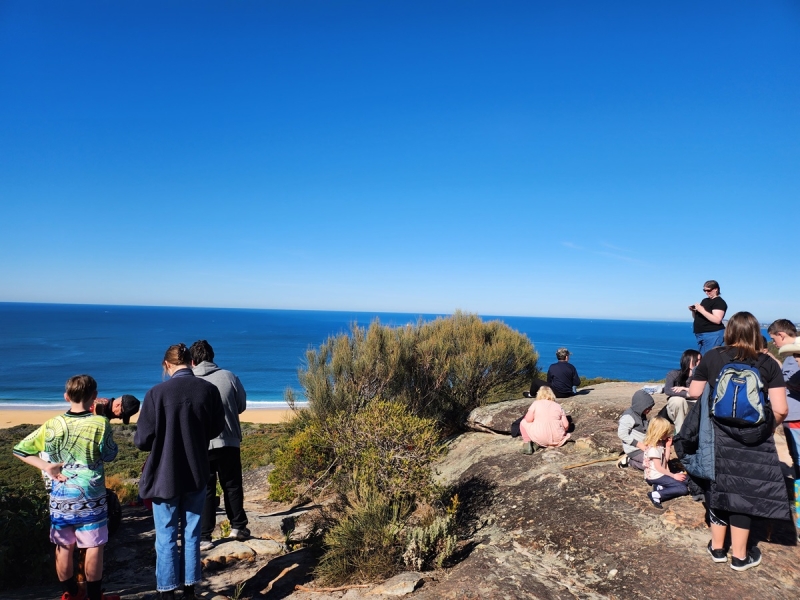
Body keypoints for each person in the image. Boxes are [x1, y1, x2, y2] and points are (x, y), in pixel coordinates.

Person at [688, 311, 789, 572]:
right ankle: (740, 557)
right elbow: (781, 409)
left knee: (718, 489)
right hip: (754, 440)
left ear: (728, 331)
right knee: (742, 495)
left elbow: (695, 393)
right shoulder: (767, 363)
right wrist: (765, 429)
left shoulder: (712, 356)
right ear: (756, 332)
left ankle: (718, 549)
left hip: (717, 435)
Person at [13, 375, 119, 600]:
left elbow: (20, 450)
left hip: (60, 496)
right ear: (94, 398)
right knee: (94, 546)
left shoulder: (53, 424)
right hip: (92, 496)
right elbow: (110, 455)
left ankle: (70, 594)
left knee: (63, 546)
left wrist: (46, 466)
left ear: (66, 396)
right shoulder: (100, 423)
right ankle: (93, 595)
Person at [135, 344, 225, 600]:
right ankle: (189, 588)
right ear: (191, 362)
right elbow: (216, 428)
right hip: (197, 470)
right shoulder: (209, 390)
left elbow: (142, 440)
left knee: (165, 535)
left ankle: (166, 591)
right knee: (192, 532)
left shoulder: (156, 393)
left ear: (167, 365)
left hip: (164, 473)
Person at [189, 340, 249, 550]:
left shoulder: (189, 381)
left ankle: (205, 536)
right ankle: (238, 526)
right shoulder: (229, 376)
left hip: (200, 444)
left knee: (205, 489)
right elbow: (241, 405)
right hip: (228, 439)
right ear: (212, 357)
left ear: (193, 360)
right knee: (232, 484)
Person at [772, 320, 800, 536]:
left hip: (797, 419)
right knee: (796, 463)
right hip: (791, 420)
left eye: (774, 339)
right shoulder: (790, 360)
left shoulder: (795, 359)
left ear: (781, 335)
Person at [642, 416, 687, 509]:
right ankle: (656, 494)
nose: (668, 434)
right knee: (682, 488)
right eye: (666, 432)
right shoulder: (653, 449)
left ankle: (660, 486)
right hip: (655, 476)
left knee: (685, 479)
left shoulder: (659, 444)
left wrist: (668, 446)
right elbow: (659, 468)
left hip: (660, 474)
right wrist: (674, 476)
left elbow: (664, 462)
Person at [519, 386, 571, 454]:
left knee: (523, 422)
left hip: (540, 437)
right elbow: (566, 425)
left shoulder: (536, 403)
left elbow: (528, 420)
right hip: (558, 438)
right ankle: (541, 443)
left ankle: (527, 443)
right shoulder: (558, 406)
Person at [663, 350, 701, 433]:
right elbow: (668, 390)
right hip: (677, 408)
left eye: (700, 360)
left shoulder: (702, 377)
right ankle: (680, 432)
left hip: (694, 406)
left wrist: (687, 389)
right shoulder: (673, 374)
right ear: (687, 360)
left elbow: (704, 393)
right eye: (696, 360)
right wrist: (689, 394)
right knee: (677, 400)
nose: (699, 362)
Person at [617, 390, 655, 470]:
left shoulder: (641, 414)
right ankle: (630, 461)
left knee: (660, 459)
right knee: (652, 465)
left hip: (644, 446)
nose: (650, 409)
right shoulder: (628, 417)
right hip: (635, 450)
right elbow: (622, 434)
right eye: (648, 408)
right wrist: (639, 445)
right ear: (641, 406)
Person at [689, 279, 727, 356]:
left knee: (710, 358)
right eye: (704, 290)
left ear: (716, 289)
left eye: (708, 290)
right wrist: (694, 311)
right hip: (701, 334)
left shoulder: (719, 302)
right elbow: (697, 318)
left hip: (712, 334)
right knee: (702, 358)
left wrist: (701, 310)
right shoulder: (705, 301)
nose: (706, 292)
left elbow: (717, 320)